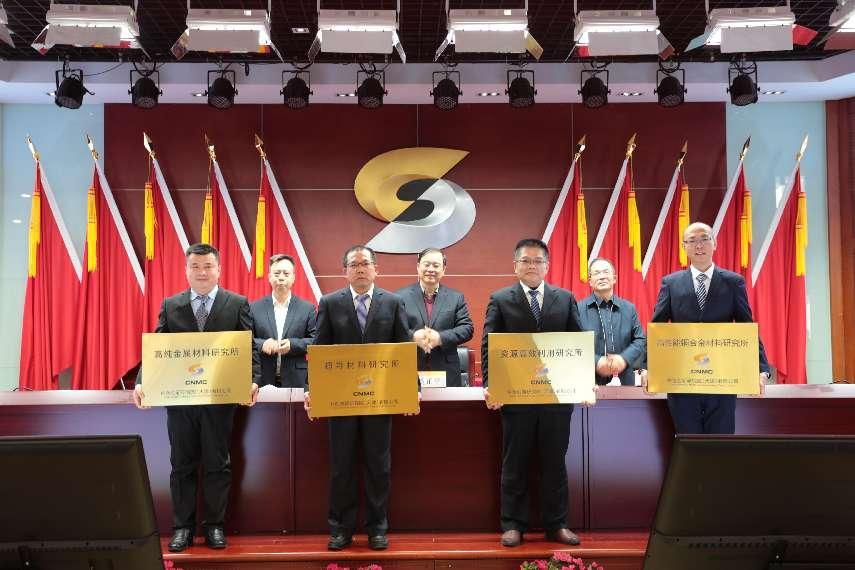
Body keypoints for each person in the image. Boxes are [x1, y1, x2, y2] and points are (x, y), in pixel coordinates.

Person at [133, 243, 259, 552]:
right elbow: (157, 350)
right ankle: (182, 529)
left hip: (220, 400)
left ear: (219, 269)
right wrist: (142, 382)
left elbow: (250, 348)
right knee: (182, 465)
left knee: (218, 464)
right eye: (196, 267)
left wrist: (253, 381)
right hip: (181, 401)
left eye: (208, 266)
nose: (202, 272)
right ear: (186, 270)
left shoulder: (236, 303)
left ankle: (215, 526)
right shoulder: (171, 305)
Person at [306, 245, 411, 552]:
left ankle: (377, 528)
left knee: (379, 466)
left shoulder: (393, 302)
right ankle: (341, 529)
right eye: (354, 264)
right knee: (342, 466)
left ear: (376, 269)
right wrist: (313, 389)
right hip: (341, 401)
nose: (361, 269)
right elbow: (319, 349)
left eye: (366, 263)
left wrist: (410, 388)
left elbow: (404, 347)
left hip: (380, 399)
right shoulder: (329, 303)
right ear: (345, 271)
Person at [481, 238, 586, 548]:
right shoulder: (501, 299)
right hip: (516, 397)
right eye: (525, 261)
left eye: (538, 261)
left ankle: (557, 524)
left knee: (555, 462)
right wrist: (492, 385)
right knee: (516, 462)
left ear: (547, 266)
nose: (531, 266)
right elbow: (489, 345)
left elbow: (577, 343)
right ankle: (513, 524)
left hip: (556, 397)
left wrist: (583, 382)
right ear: (515, 266)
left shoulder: (565, 298)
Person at [650, 222, 770, 434]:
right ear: (684, 247)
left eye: (704, 239)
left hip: (722, 377)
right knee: (687, 440)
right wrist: (647, 367)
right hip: (682, 378)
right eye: (692, 241)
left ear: (714, 243)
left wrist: (761, 369)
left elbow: (747, 327)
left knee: (720, 442)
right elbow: (657, 328)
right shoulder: (671, 283)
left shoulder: (733, 282)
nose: (699, 245)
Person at [396, 248, 474, 387]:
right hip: (410, 370)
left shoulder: (455, 297)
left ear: (443, 270)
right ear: (418, 267)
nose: (431, 269)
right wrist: (413, 336)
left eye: (436, 265)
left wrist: (440, 338)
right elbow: (394, 329)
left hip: (447, 372)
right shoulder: (399, 297)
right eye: (426, 264)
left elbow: (466, 329)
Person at [250, 254, 317, 388]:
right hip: (262, 378)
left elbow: (316, 340)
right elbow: (245, 339)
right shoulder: (254, 307)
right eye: (276, 273)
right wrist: (262, 344)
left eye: (286, 274)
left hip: (297, 380)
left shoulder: (307, 308)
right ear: (269, 277)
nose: (281, 278)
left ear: (293, 278)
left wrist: (293, 345)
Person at [577, 258, 646, 386]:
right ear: (590, 281)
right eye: (597, 273)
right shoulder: (577, 309)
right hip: (589, 383)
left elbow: (640, 340)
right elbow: (573, 344)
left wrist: (623, 359)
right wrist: (596, 361)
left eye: (606, 272)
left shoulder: (629, 308)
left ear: (614, 278)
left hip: (624, 382)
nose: (602, 276)